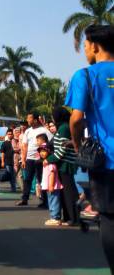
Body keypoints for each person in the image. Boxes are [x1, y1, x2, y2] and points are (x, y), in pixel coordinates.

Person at [67, 25, 114, 270]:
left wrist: (78, 147)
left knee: (108, 218)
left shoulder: (84, 76)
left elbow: (76, 119)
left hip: (105, 161)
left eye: (85, 46)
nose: (84, 50)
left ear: (94, 46)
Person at [48, 107, 79, 226]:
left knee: (69, 193)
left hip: (66, 164)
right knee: (66, 192)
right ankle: (68, 217)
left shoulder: (64, 128)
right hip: (63, 163)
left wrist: (49, 159)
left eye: (53, 115)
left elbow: (62, 148)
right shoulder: (63, 127)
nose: (52, 118)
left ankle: (74, 218)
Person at [17, 112, 52, 206]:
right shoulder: (28, 131)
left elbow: (51, 143)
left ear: (35, 120)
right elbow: (24, 146)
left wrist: (46, 156)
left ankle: (44, 201)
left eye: (29, 118)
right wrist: (23, 159)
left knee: (41, 180)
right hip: (29, 159)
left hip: (40, 159)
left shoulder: (44, 130)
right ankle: (24, 199)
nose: (27, 120)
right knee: (27, 179)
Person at [39, 143, 63, 226]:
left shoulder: (50, 163)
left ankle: (56, 218)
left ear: (49, 152)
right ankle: (54, 217)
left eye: (44, 151)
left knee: (54, 201)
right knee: (51, 201)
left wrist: (51, 185)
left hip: (52, 186)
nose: (42, 153)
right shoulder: (46, 162)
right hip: (49, 186)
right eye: (40, 151)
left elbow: (52, 174)